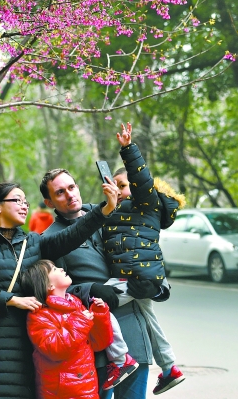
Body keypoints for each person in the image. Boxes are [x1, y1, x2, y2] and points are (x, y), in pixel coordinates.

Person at [0, 180, 118, 399]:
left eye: (26, 202)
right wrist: (12, 300)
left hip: (36, 345)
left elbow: (73, 235)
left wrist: (104, 209)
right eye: (17, 200)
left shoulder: (32, 242)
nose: (24, 206)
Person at [40, 170, 170, 399]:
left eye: (71, 187)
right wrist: (89, 290)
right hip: (95, 340)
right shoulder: (51, 239)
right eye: (60, 192)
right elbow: (56, 290)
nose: (69, 195)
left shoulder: (111, 211)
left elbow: (145, 250)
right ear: (49, 202)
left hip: (133, 331)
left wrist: (157, 286)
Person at [102, 122, 186, 395]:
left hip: (137, 276)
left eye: (123, 185)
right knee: (149, 318)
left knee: (97, 303)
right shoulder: (115, 210)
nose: (119, 189)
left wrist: (127, 149)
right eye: (114, 185)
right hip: (147, 277)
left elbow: (141, 180)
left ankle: (121, 359)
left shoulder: (146, 203)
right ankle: (170, 367)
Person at [21, 259, 113, 399]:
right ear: (48, 285)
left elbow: (99, 343)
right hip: (63, 392)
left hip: (87, 388)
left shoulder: (75, 304)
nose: (61, 269)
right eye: (54, 269)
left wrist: (99, 314)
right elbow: (54, 349)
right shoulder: (39, 314)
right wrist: (80, 321)